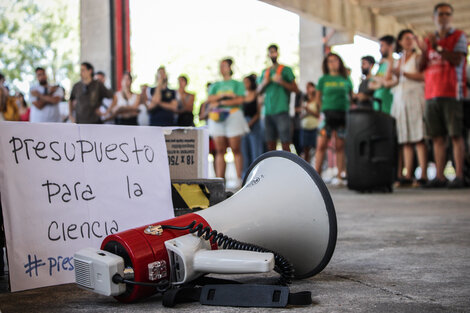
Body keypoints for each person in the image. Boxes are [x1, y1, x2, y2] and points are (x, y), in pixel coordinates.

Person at [417, 2, 468, 188]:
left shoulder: (459, 36)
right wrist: (424, 51)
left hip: (452, 92)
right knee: (437, 138)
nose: (444, 17)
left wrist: (437, 46)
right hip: (431, 93)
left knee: (455, 136)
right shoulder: (430, 40)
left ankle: (459, 175)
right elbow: (420, 67)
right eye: (440, 14)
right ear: (434, 17)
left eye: (447, 14)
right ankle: (440, 176)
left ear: (451, 17)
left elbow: (457, 59)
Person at [386, 29, 428, 187]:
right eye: (405, 38)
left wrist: (403, 73)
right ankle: (408, 174)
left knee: (418, 137)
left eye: (411, 38)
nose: (409, 40)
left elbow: (422, 76)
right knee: (405, 139)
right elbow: (392, 79)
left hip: (415, 99)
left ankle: (423, 174)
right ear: (400, 41)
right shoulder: (399, 59)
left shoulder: (416, 57)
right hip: (401, 100)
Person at [207, 58, 248, 187]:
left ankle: (238, 180)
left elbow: (240, 100)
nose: (222, 68)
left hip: (233, 116)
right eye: (220, 65)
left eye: (224, 65)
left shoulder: (237, 84)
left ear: (230, 67)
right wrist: (226, 98)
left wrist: (222, 101)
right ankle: (220, 181)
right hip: (217, 118)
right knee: (220, 150)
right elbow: (210, 99)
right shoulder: (215, 85)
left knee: (235, 149)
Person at [314, 53, 353, 186]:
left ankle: (340, 176)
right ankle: (315, 176)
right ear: (326, 64)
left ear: (339, 62)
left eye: (335, 60)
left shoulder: (345, 79)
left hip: (342, 115)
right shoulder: (323, 79)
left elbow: (351, 96)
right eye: (329, 61)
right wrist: (321, 111)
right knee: (321, 145)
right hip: (327, 115)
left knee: (340, 145)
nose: (332, 63)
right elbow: (318, 97)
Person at [258, 44, 298, 151]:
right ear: (268, 55)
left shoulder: (285, 70)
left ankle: (286, 165)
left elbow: (295, 89)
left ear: (278, 53)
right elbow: (258, 91)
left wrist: (282, 82)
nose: (272, 54)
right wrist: (264, 83)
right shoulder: (265, 72)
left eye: (274, 52)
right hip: (268, 112)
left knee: (285, 142)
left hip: (282, 110)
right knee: (270, 142)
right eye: (270, 52)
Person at [241, 74, 263, 175]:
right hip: (243, 124)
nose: (245, 84)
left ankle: (257, 174)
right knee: (244, 151)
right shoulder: (242, 95)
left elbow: (259, 112)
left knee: (256, 150)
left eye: (247, 82)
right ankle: (245, 175)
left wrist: (250, 123)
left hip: (254, 124)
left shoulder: (257, 94)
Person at [369, 35, 395, 114]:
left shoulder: (394, 63)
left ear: (390, 46)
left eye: (382, 46)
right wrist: (381, 83)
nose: (380, 49)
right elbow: (370, 84)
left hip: (388, 107)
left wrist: (378, 80)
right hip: (377, 106)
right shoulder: (381, 65)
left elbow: (387, 81)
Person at [300, 82, 320, 163]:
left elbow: (318, 114)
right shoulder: (304, 100)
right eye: (307, 87)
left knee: (317, 149)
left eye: (310, 87)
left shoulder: (317, 100)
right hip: (305, 127)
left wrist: (309, 111)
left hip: (314, 128)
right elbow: (300, 115)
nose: (308, 89)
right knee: (306, 151)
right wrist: (304, 113)